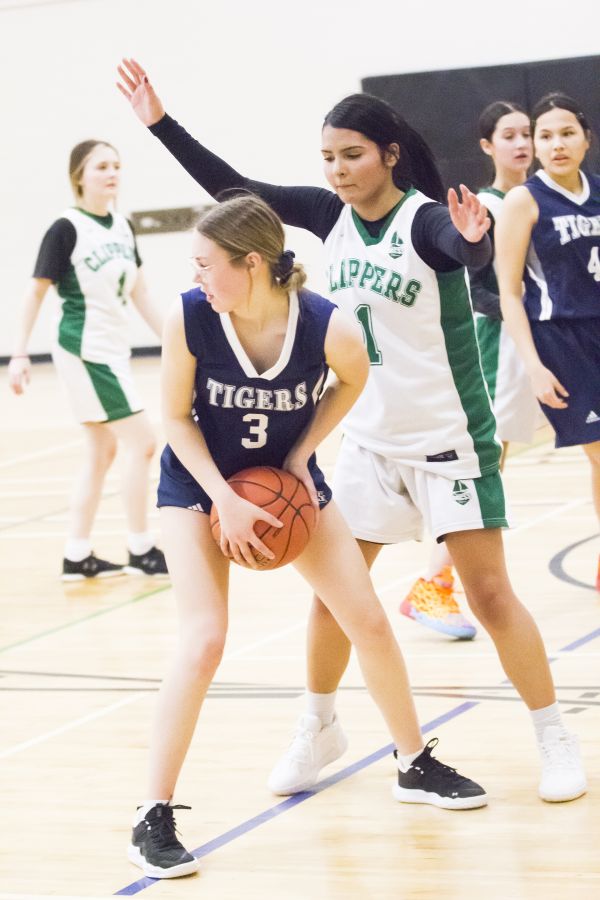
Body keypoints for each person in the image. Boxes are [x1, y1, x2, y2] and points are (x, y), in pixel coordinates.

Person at [116, 58, 586, 810]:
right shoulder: (329, 218)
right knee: (336, 600)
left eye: (352, 155)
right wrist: (159, 124)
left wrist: (473, 241)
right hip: (367, 441)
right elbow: (238, 195)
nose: (337, 170)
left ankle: (552, 732)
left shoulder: (426, 219)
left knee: (490, 593)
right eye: (328, 157)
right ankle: (319, 726)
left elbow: (459, 250)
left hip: (446, 438)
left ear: (390, 154)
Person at [126, 194, 488, 880]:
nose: (196, 275)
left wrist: (303, 453)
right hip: (198, 485)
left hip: (287, 488)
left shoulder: (328, 327)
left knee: (368, 621)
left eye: (206, 263)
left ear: (252, 263)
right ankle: (152, 813)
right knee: (204, 638)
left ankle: (413, 762)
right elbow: (174, 419)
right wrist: (224, 497)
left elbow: (353, 380)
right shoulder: (191, 317)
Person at [406, 101, 542, 632]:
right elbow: (482, 289)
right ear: (487, 146)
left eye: (526, 132)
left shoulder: (536, 197)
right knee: (486, 463)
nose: (521, 142)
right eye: (509, 135)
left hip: (544, 337)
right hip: (497, 341)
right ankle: (433, 584)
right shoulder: (486, 204)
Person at [8, 140, 168, 580]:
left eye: (117, 164)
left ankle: (77, 555)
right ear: (80, 175)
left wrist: (175, 340)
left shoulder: (122, 226)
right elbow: (35, 290)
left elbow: (141, 294)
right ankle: (142, 548)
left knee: (102, 451)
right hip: (85, 349)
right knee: (142, 442)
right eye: (102, 166)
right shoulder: (66, 228)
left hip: (112, 348)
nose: (112, 172)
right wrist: (20, 351)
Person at [496, 92, 600, 592]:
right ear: (535, 146)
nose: (556, 144)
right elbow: (509, 292)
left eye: (566, 133)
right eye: (545, 136)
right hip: (561, 338)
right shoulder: (525, 199)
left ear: (586, 139)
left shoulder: (599, 192)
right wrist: (533, 365)